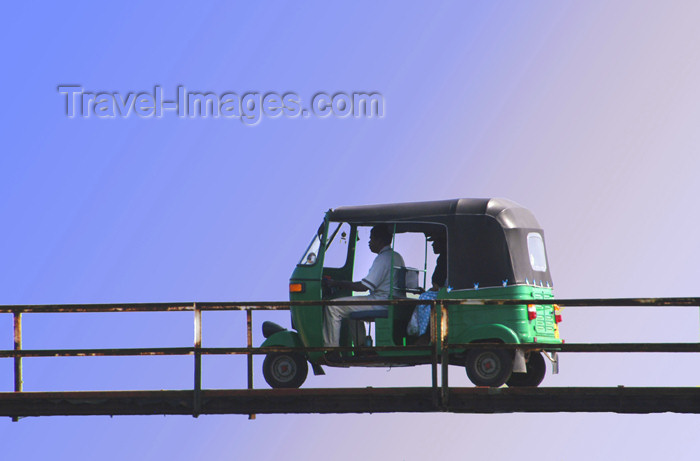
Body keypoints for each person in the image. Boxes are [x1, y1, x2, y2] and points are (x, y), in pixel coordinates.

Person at [322, 225, 405, 351]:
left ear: (380, 241)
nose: (369, 243)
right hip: (391, 301)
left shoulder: (383, 259)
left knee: (333, 307)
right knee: (350, 308)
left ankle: (331, 350)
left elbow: (363, 286)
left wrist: (336, 283)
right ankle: (362, 348)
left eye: (371, 239)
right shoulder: (397, 256)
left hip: (381, 302)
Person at [407, 231, 446, 338]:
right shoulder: (443, 257)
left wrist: (428, 292)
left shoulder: (444, 258)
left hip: (445, 293)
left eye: (435, 242)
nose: (432, 245)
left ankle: (424, 335)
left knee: (424, 299)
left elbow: (438, 284)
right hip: (442, 292)